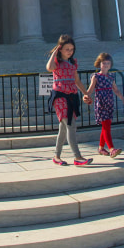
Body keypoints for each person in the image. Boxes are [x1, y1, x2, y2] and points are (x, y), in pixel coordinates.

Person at [46, 34, 93, 166]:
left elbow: (77, 80)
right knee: (71, 126)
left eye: (71, 49)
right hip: (60, 97)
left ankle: (56, 156)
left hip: (72, 96)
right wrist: (55, 52)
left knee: (64, 128)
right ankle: (77, 157)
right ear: (60, 49)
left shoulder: (73, 63)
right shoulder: (56, 62)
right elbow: (49, 68)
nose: (69, 51)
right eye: (66, 49)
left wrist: (86, 93)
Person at [86, 52, 124, 158]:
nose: (106, 65)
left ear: (110, 65)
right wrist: (86, 96)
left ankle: (101, 148)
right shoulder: (95, 76)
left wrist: (123, 99)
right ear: (99, 64)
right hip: (101, 103)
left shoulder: (111, 77)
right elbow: (91, 89)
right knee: (106, 126)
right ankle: (112, 149)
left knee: (106, 126)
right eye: (104, 63)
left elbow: (116, 90)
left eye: (108, 63)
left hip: (109, 103)